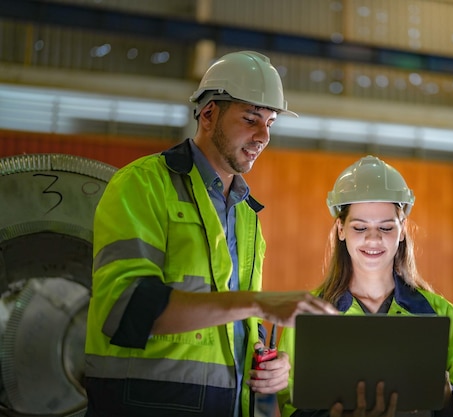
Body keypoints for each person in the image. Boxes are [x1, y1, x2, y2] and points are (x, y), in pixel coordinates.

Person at [83, 50, 338, 417]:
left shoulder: (247, 215)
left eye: (271, 122)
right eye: (251, 118)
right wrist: (259, 303)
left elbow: (231, 324)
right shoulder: (142, 185)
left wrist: (270, 363)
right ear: (208, 115)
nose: (263, 135)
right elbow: (123, 308)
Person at [277, 155, 453, 417]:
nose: (373, 239)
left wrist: (446, 396)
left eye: (386, 227)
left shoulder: (442, 314)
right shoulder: (306, 313)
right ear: (341, 229)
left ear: (403, 229)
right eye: (360, 227)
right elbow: (291, 406)